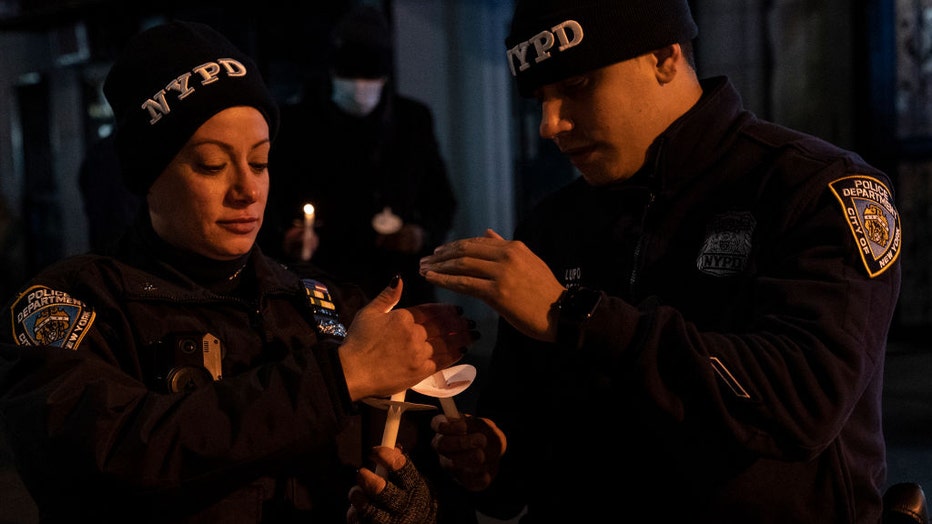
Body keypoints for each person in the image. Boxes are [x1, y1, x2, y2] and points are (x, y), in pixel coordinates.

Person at [411, 0, 901, 522]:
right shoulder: (553, 226)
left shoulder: (812, 188)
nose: (549, 125)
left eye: (577, 87)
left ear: (665, 57)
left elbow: (803, 402)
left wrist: (575, 314)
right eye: (540, 99)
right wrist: (493, 456)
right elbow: (526, 439)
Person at [0, 20, 476, 523]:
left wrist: (423, 502)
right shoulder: (78, 304)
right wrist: (338, 378)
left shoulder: (320, 304)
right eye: (210, 165)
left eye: (261, 161)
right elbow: (109, 456)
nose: (247, 190)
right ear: (149, 175)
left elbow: (413, 465)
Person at [262, 5, 457, 308]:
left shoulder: (412, 120)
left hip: (401, 285)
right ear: (332, 69)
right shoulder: (296, 124)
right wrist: (285, 238)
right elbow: (270, 202)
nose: (360, 84)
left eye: (370, 72)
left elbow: (441, 200)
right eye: (350, 71)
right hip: (324, 283)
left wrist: (420, 234)